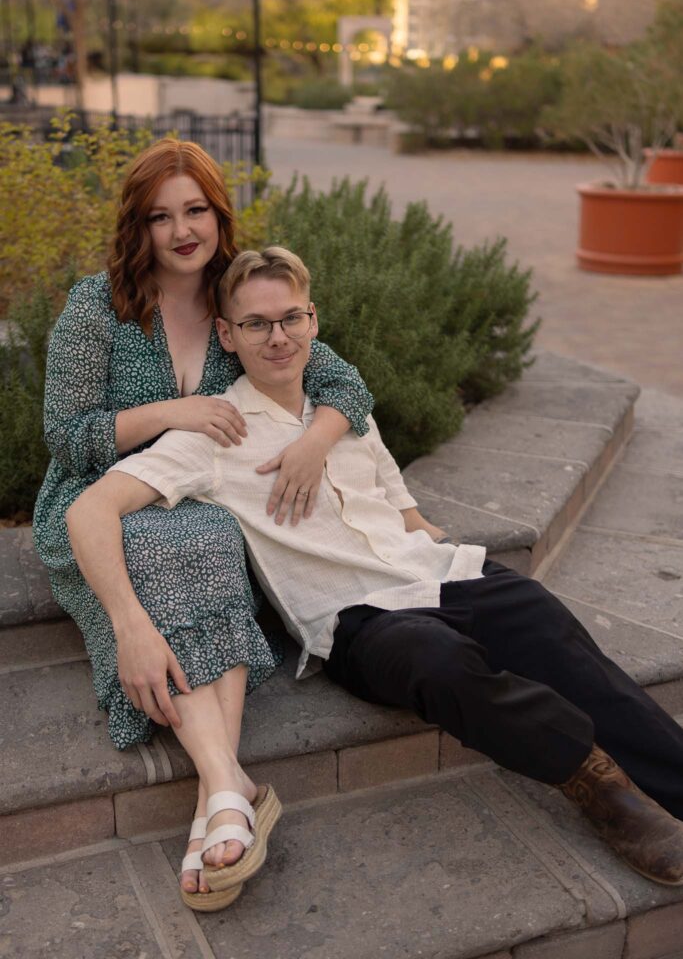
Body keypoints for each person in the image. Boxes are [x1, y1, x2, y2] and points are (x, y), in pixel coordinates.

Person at [66, 246, 683, 912]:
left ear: (313, 321)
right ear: (226, 334)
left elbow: (404, 508)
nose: (278, 337)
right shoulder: (215, 432)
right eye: (255, 324)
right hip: (361, 622)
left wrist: (443, 552)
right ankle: (601, 788)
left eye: (290, 318)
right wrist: (130, 624)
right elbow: (90, 508)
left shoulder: (344, 413)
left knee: (553, 635)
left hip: (440, 577)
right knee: (437, 661)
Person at [32, 142, 389, 908]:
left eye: (195, 209)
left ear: (218, 214)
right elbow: (65, 436)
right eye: (161, 216)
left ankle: (217, 799)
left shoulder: (237, 296)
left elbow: (342, 381)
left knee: (206, 535)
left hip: (206, 497)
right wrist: (169, 412)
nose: (181, 230)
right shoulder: (97, 307)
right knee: (173, 543)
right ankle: (226, 785)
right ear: (139, 226)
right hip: (100, 502)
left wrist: (313, 443)